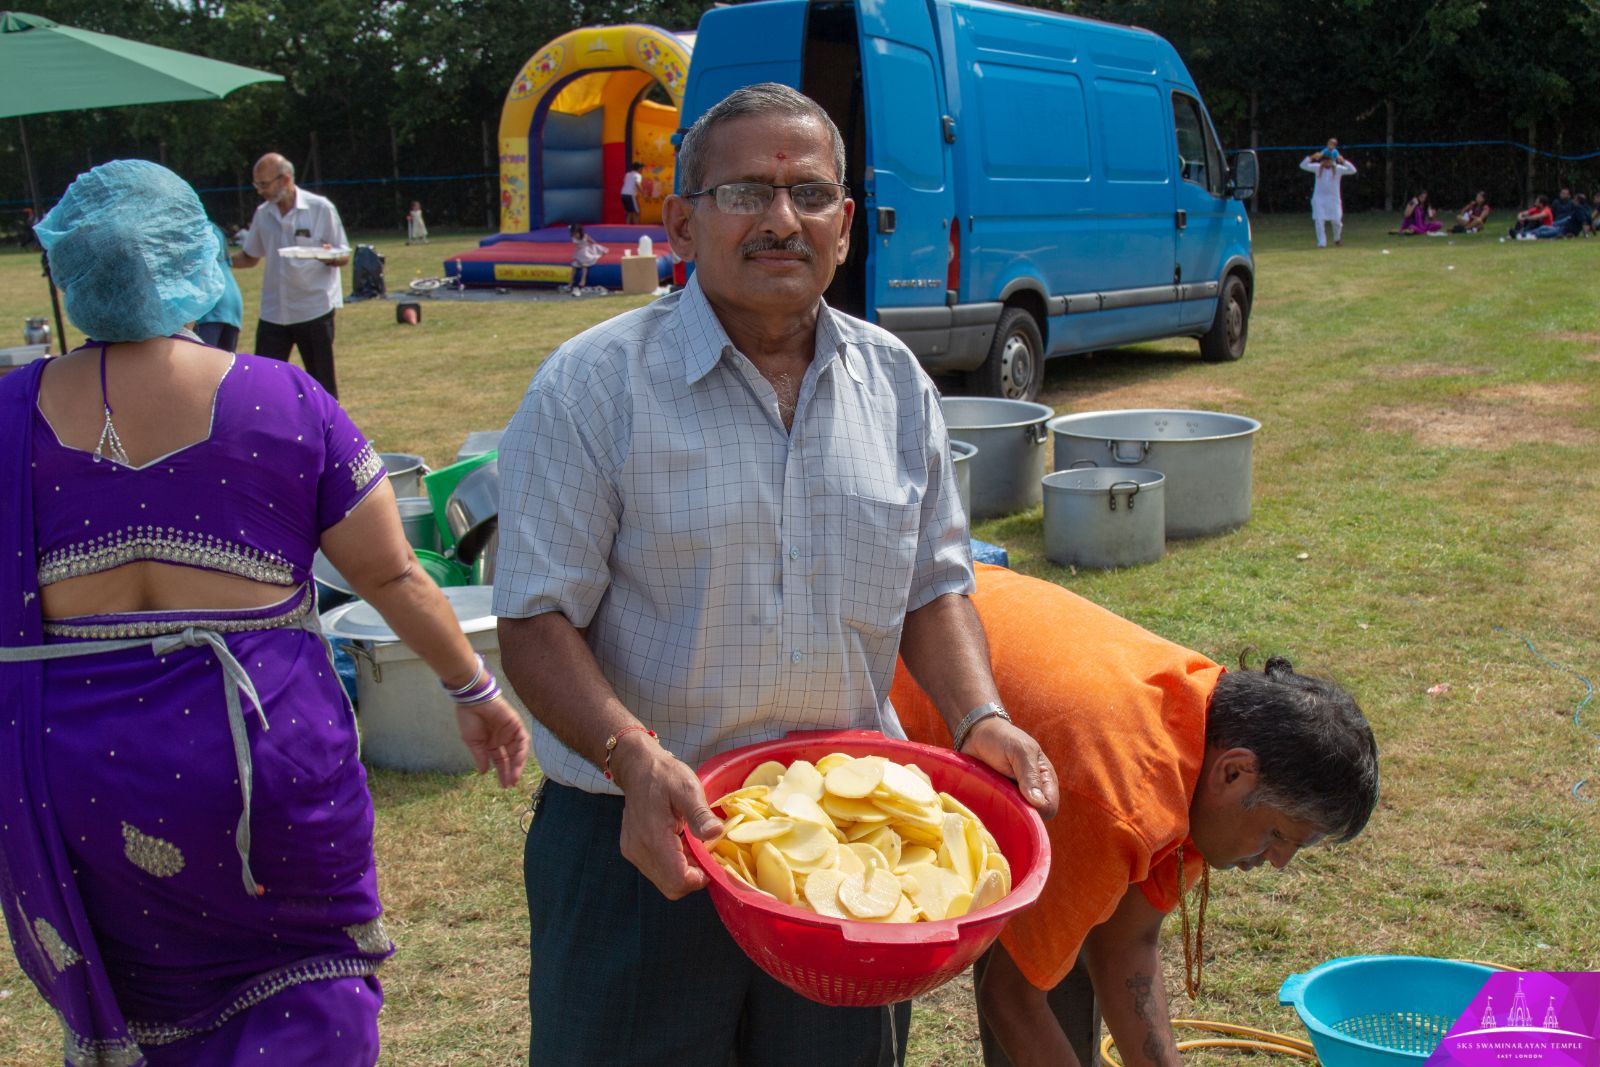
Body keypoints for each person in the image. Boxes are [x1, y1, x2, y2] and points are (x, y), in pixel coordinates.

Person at [494, 83, 1059, 1067]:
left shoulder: (894, 384)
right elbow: (536, 618)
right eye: (745, 191)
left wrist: (979, 718)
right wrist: (632, 755)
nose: (780, 219)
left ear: (844, 224)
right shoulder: (594, 385)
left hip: (848, 848)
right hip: (642, 835)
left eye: (807, 194)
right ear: (680, 219)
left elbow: (932, 583)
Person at [0, 159, 530, 1065]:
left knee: (145, 1005)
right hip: (266, 770)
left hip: (81, 782)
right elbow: (396, 577)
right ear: (194, 257)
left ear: (74, 270)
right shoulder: (282, 398)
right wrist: (474, 687)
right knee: (305, 991)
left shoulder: (10, 414)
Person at [891, 564, 1380, 1067]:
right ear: (1235, 774)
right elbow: (1010, 997)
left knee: (1071, 931)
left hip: (963, 598)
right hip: (893, 653)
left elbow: (1125, 941)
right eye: (1279, 834)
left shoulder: (1209, 727)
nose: (1277, 861)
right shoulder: (1119, 799)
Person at [231, 153, 349, 397]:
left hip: (313, 309)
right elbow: (250, 257)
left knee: (322, 387)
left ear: (285, 179)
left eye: (264, 184)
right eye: (257, 185)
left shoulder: (320, 209)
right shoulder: (263, 213)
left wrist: (323, 254)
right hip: (274, 312)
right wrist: (218, 260)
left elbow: (343, 255)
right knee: (263, 386)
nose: (260, 190)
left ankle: (329, 435)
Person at [196, 221, 243, 351]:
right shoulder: (211, 226)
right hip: (230, 303)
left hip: (206, 306)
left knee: (204, 368)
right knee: (224, 367)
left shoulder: (183, 226)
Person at [1299, 142, 1357, 247]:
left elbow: (1353, 170)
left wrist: (1343, 161)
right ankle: (1322, 242)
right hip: (1319, 199)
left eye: (1329, 160)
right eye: (1325, 160)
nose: (1327, 162)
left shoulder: (1338, 169)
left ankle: (1337, 238)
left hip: (1333, 199)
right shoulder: (1317, 168)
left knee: (1337, 221)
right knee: (1319, 220)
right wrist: (1311, 157)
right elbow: (1303, 165)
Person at [567, 222, 607, 294]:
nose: (576, 235)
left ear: (580, 232)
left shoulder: (585, 236)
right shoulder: (574, 238)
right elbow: (577, 245)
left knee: (584, 265)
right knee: (574, 265)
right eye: (574, 234)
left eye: (577, 233)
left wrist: (595, 245)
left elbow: (591, 241)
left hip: (585, 252)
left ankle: (583, 280)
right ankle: (571, 281)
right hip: (579, 253)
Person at [620, 159, 644, 224]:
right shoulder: (638, 175)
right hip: (630, 195)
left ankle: (627, 227)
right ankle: (636, 228)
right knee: (637, 212)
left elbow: (626, 183)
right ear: (639, 168)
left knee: (629, 212)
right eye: (641, 168)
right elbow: (637, 183)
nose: (642, 170)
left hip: (623, 194)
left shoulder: (628, 174)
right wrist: (642, 192)